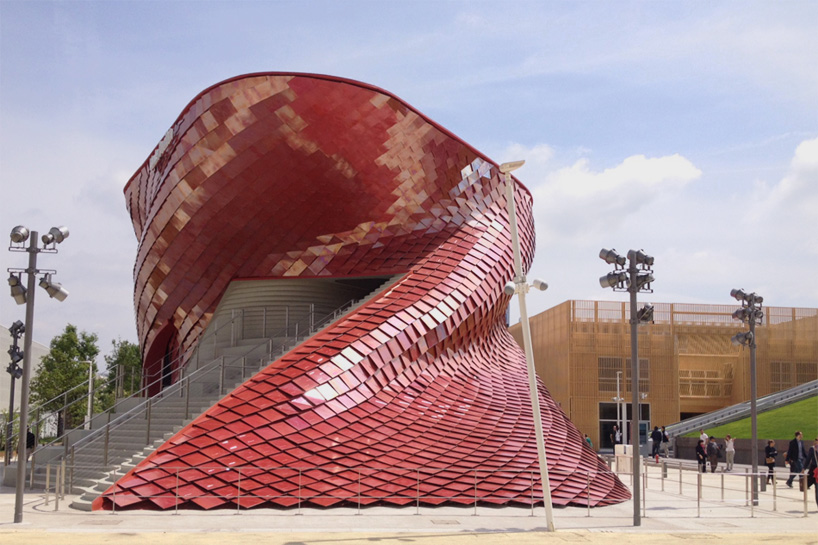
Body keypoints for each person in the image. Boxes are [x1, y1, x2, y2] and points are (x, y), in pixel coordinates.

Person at [806, 437, 818, 508]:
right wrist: (804, 467)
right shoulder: (813, 449)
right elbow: (808, 459)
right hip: (815, 471)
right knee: (817, 488)